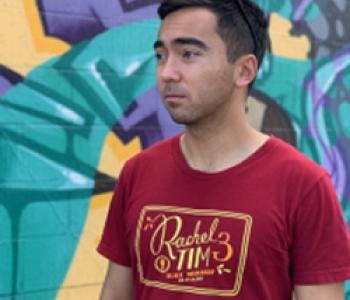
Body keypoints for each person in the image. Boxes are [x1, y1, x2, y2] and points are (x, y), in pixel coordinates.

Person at [97, 0, 350, 299]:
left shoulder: (303, 185)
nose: (167, 72)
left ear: (243, 70)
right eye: (161, 55)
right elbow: (115, 295)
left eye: (188, 54)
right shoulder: (138, 172)